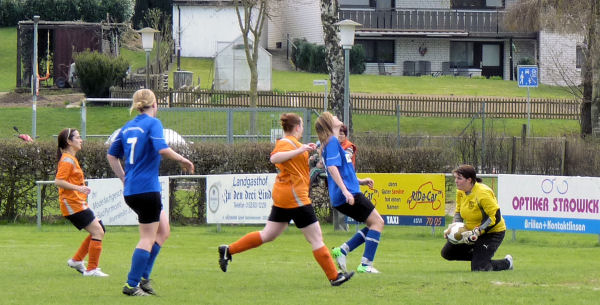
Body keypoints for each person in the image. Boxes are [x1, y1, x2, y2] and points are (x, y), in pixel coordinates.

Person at [218, 113, 354, 287]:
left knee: (268, 234)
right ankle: (335, 277)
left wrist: (307, 152)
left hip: (285, 195)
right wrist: (300, 150)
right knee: (316, 238)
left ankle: (228, 250)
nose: (303, 129)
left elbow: (294, 163)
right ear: (297, 127)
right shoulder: (286, 143)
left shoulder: (295, 144)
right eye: (302, 126)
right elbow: (274, 158)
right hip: (295, 196)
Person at [107, 89, 194, 296]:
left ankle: (144, 279)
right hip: (146, 189)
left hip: (133, 190)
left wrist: (123, 177)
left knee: (163, 231)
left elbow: (111, 155)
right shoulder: (153, 123)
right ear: (155, 104)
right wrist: (183, 159)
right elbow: (162, 149)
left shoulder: (127, 127)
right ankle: (131, 284)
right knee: (147, 238)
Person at [314, 112, 385, 274]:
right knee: (378, 222)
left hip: (347, 193)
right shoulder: (331, 141)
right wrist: (346, 191)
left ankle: (343, 250)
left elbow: (342, 170)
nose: (337, 117)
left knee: (374, 224)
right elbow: (332, 168)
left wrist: (360, 181)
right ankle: (365, 265)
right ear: (329, 124)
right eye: (333, 116)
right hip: (347, 194)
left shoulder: (332, 142)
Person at [55, 128, 108, 277]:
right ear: (69, 142)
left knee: (100, 228)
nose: (81, 140)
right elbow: (58, 181)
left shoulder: (70, 158)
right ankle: (91, 270)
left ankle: (77, 260)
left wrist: (80, 189)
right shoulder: (67, 159)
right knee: (98, 231)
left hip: (77, 202)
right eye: (78, 137)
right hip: (71, 204)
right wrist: (79, 188)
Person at [441, 164, 513, 271]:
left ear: (469, 180)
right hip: (470, 232)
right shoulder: (460, 191)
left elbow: (495, 216)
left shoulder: (483, 193)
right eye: (455, 178)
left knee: (479, 268)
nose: (456, 181)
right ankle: (481, 258)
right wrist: (453, 229)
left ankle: (507, 263)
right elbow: (458, 213)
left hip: (492, 232)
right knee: (447, 253)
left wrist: (477, 232)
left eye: (459, 178)